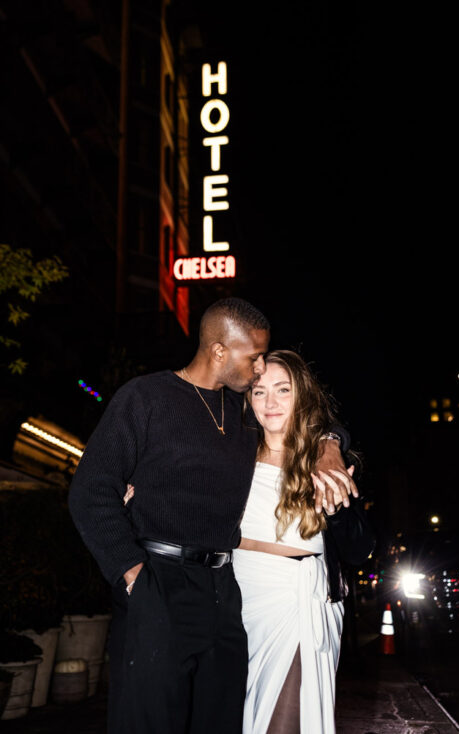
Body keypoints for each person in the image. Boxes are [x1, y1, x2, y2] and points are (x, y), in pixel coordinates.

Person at [68, 298, 357, 734]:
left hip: (225, 591)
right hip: (157, 580)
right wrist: (131, 575)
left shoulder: (242, 414)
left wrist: (331, 444)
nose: (260, 369)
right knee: (148, 721)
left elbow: (308, 417)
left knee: (221, 720)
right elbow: (91, 491)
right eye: (254, 357)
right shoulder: (145, 397)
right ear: (219, 351)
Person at [232, 350, 375, 734]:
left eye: (283, 389)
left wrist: (337, 502)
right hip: (240, 600)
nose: (271, 402)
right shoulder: (232, 454)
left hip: (298, 600)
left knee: (285, 716)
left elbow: (360, 549)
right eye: (259, 392)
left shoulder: (324, 461)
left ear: (302, 396)